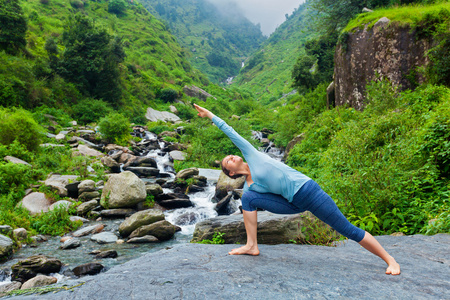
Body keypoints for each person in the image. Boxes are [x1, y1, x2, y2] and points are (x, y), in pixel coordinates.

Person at [194, 104, 401, 275]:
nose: (231, 157)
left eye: (230, 156)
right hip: (292, 203)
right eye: (226, 162)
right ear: (230, 174)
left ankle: (390, 259)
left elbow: (229, 130)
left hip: (308, 192)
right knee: (247, 199)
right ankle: (251, 245)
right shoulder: (251, 186)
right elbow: (267, 199)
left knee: (347, 230)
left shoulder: (252, 154)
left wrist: (210, 115)